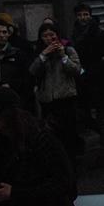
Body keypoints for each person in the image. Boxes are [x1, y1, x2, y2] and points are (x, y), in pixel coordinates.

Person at [29, 22, 82, 157]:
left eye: (51, 35)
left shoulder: (68, 49)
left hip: (65, 98)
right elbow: (32, 71)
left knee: (68, 133)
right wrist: (43, 55)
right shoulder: (39, 52)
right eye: (45, 36)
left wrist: (63, 56)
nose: (48, 39)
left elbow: (76, 70)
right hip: (47, 100)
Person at [71, 4, 104, 154]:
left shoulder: (99, 33)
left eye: (86, 14)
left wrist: (94, 68)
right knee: (83, 114)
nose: (83, 18)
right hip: (83, 79)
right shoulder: (75, 32)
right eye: (80, 15)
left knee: (101, 114)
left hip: (98, 81)